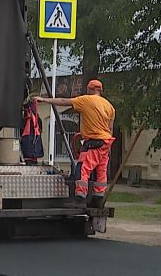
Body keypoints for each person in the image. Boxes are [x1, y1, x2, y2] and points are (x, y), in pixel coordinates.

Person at [36, 79, 115, 208]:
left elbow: (63, 102)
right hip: (106, 142)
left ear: (89, 89)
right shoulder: (109, 106)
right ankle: (98, 198)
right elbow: (110, 128)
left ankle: (79, 197)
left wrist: (45, 100)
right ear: (100, 90)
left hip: (93, 142)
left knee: (82, 169)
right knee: (101, 171)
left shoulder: (86, 100)